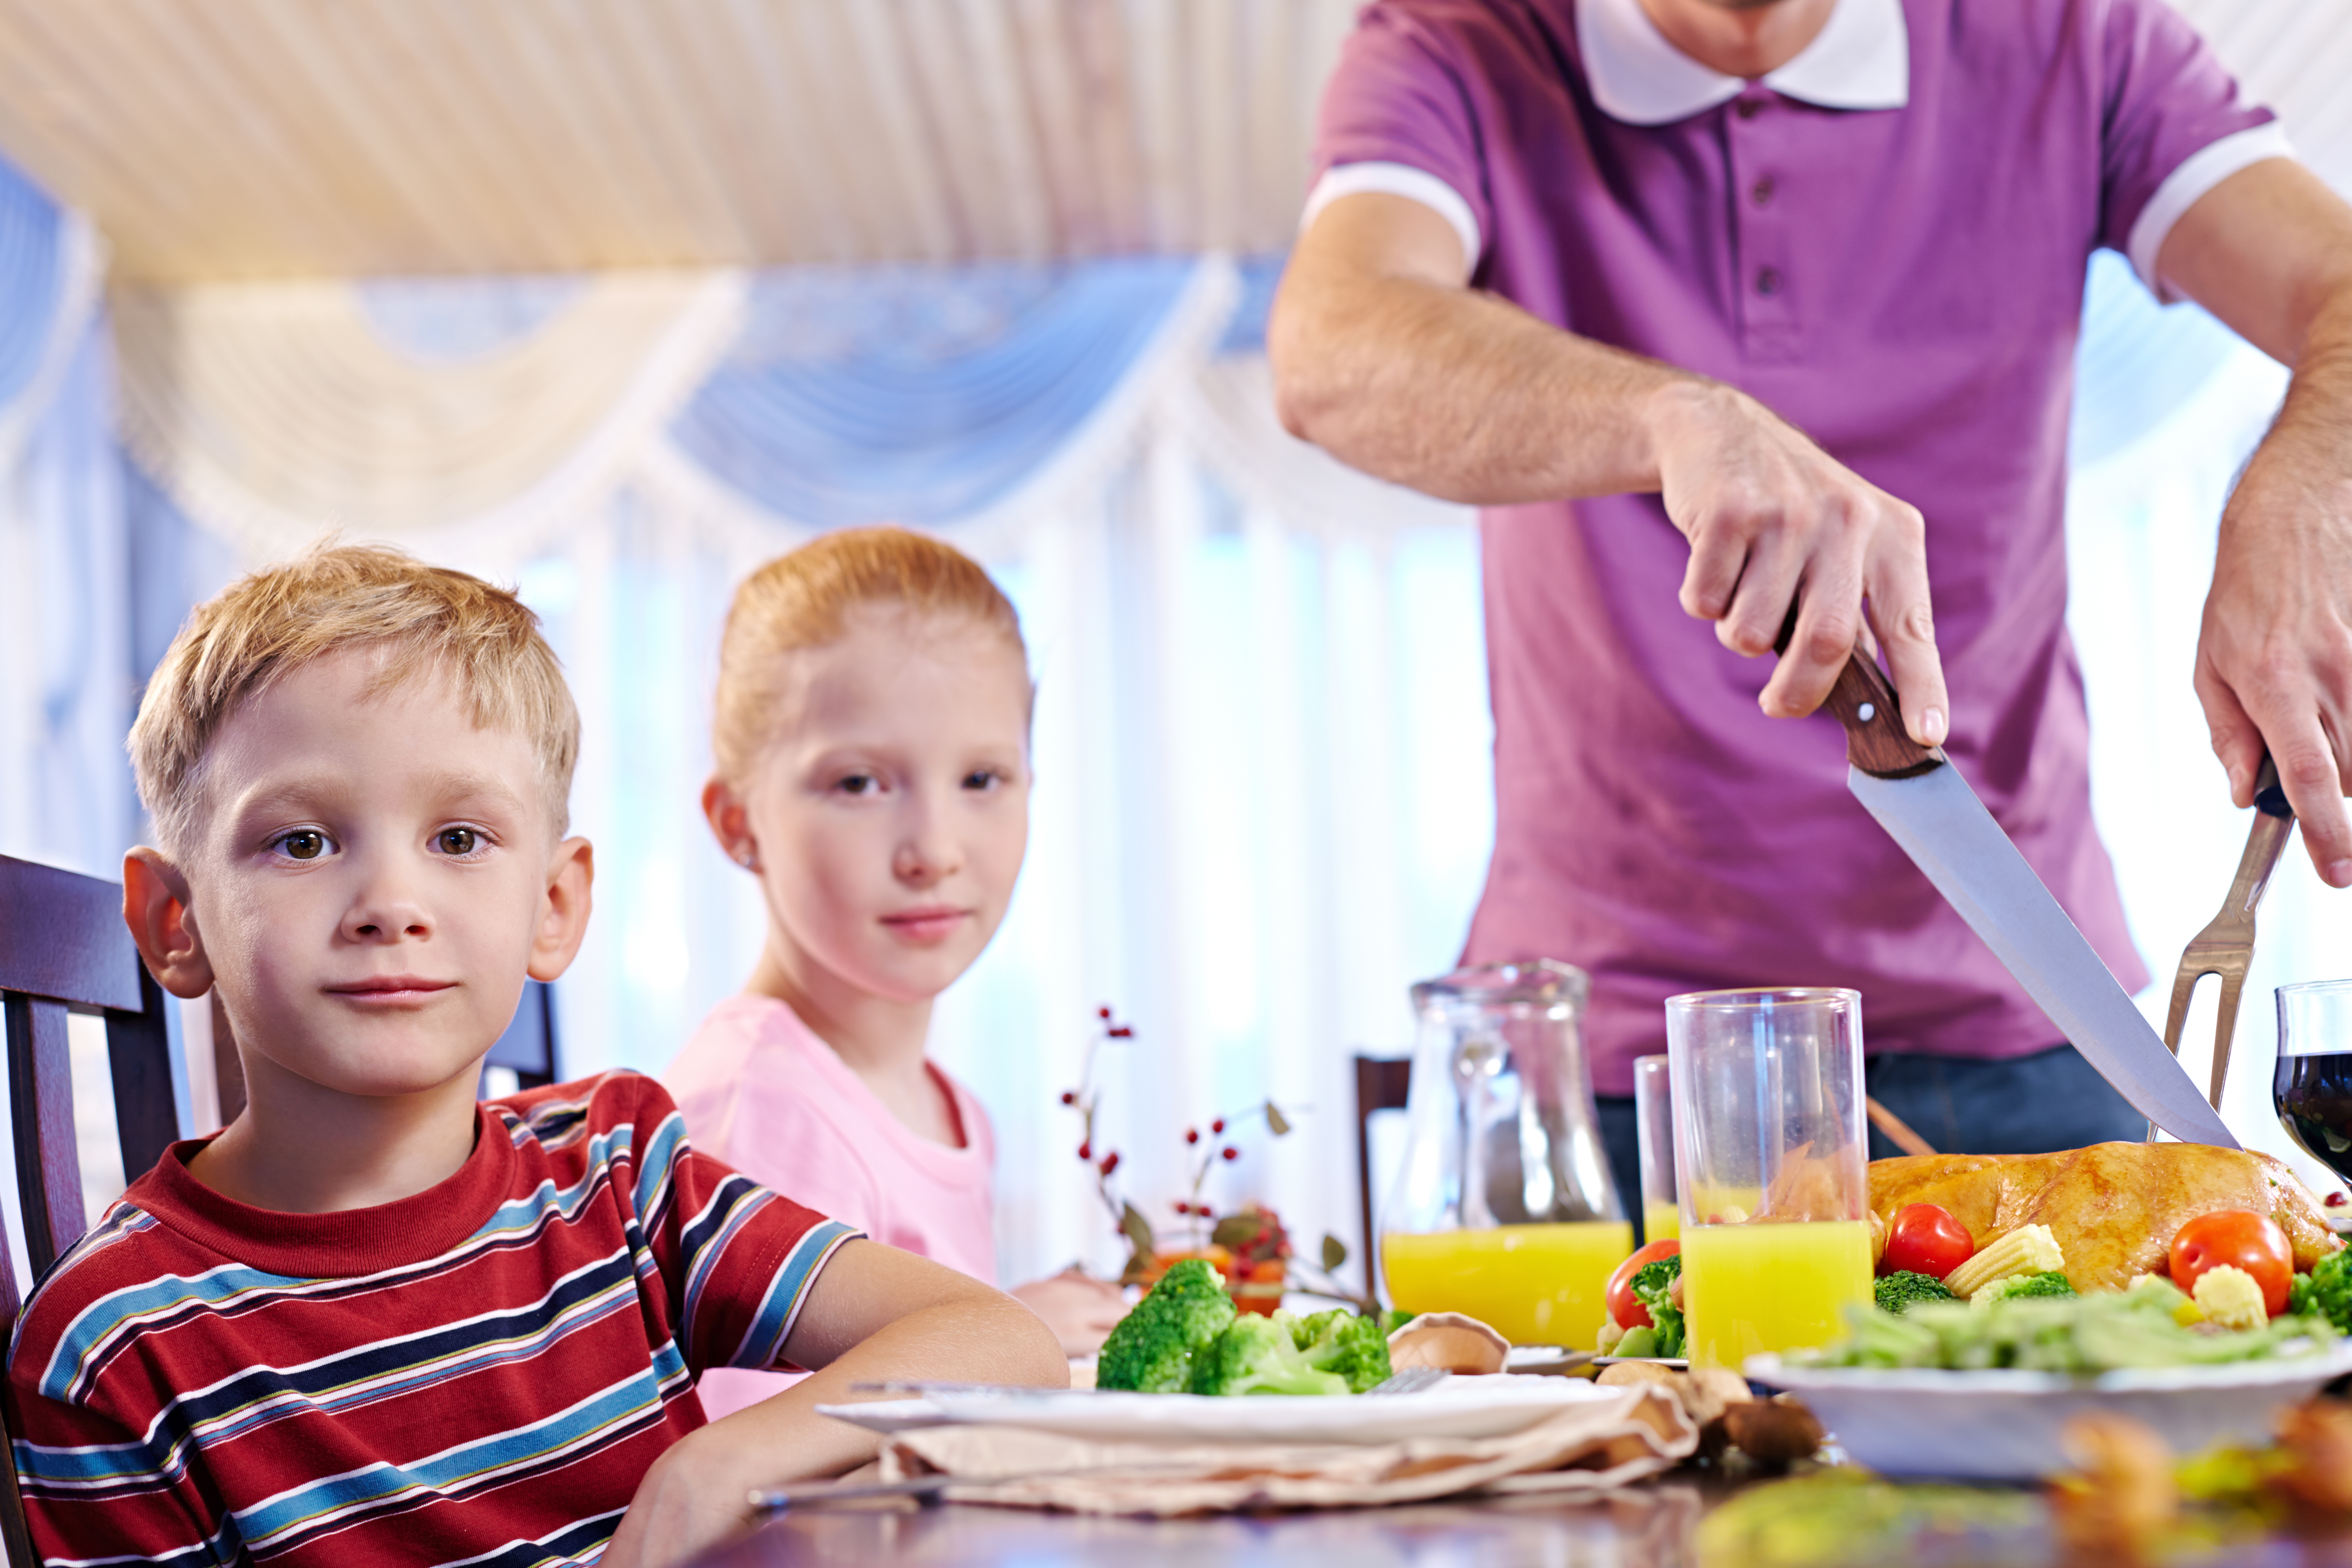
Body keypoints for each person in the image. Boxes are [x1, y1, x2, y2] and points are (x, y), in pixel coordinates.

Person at [1268, 0, 2352, 1201]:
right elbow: (1328, 347)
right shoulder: (1458, 46)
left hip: (2027, 1037)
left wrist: (2303, 500)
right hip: (1627, 1071)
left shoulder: (2069, 37)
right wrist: (1673, 416)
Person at [3, 544, 1065, 1568]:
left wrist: (715, 1464)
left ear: (554, 907)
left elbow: (998, 1339)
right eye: (303, 842)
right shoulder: (113, 1340)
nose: (391, 907)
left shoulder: (623, 1177)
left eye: (458, 839)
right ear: (174, 920)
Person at [665, 528, 1124, 1417]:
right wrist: (1005, 1335)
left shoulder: (950, 1109)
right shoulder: (761, 1108)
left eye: (983, 779)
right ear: (737, 822)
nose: (934, 852)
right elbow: (747, 1466)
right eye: (861, 784)